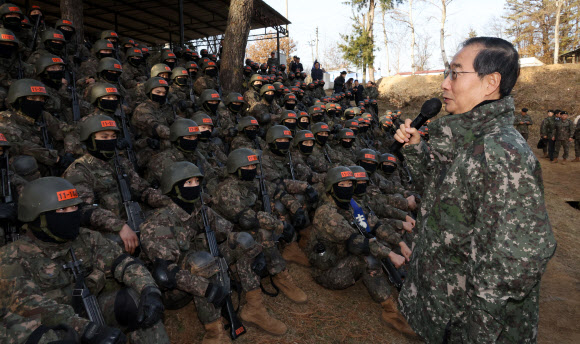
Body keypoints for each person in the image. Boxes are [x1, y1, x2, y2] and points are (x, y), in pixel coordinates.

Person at [393, 37, 556, 342]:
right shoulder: (468, 141)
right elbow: (449, 202)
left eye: (455, 73)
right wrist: (417, 150)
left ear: (490, 82)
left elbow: (517, 260)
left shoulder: (501, 152)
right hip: (446, 311)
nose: (444, 84)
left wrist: (477, 331)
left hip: (471, 326)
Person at [0, 177, 169, 344]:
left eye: (74, 207)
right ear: (38, 217)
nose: (72, 214)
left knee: (139, 301)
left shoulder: (86, 238)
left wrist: (149, 288)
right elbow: (31, 308)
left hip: (91, 310)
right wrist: (88, 330)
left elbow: (124, 263)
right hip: (53, 329)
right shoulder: (11, 257)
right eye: (63, 210)